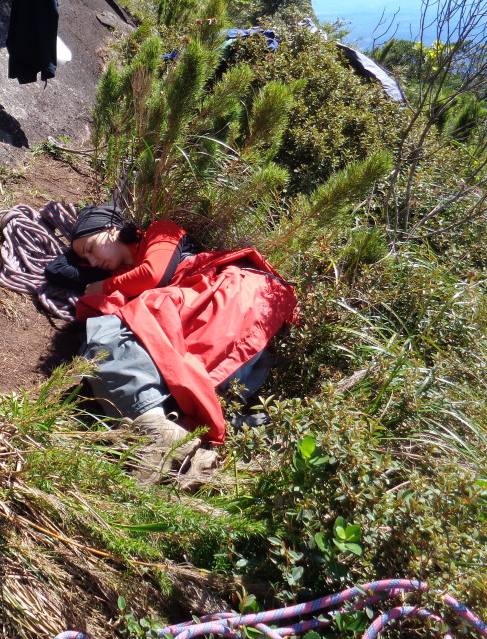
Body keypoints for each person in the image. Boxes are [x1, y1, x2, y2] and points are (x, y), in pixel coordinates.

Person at [44, 205, 298, 485]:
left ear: (112, 229)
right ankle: (169, 437)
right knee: (162, 366)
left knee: (112, 328)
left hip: (231, 294)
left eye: (91, 248)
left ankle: (155, 435)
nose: (91, 262)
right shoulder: (122, 271)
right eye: (85, 258)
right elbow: (56, 271)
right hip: (234, 323)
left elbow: (151, 275)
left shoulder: (160, 232)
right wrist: (84, 257)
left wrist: (103, 288)